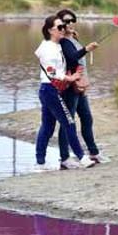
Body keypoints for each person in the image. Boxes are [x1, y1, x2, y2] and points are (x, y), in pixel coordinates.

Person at [34, 15, 96, 171]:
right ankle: (82, 157)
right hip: (50, 89)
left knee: (48, 126)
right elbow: (51, 71)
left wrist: (72, 38)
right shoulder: (48, 48)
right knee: (68, 122)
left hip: (52, 89)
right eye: (59, 27)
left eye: (64, 26)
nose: (63, 29)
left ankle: (40, 162)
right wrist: (70, 77)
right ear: (50, 30)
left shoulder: (57, 45)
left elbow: (70, 56)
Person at [56, 9, 110, 164]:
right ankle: (65, 158)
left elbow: (78, 57)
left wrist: (81, 45)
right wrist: (86, 49)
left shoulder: (71, 39)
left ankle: (93, 153)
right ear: (59, 24)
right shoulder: (62, 42)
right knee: (68, 121)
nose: (70, 23)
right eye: (66, 21)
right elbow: (72, 58)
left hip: (79, 86)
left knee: (87, 118)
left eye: (72, 20)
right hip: (69, 87)